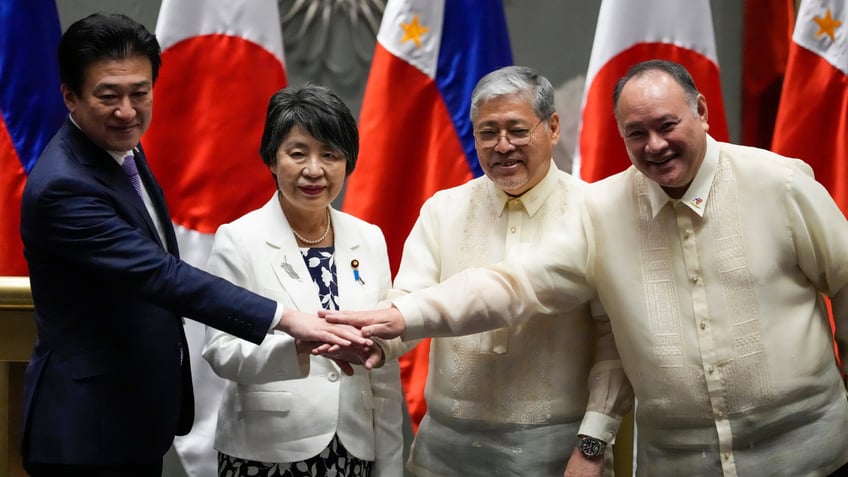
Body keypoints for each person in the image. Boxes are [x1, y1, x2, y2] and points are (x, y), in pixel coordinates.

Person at [323, 60, 848, 476]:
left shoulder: (780, 183)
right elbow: (518, 284)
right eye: (636, 132)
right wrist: (398, 318)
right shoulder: (605, 210)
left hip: (811, 454)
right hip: (678, 462)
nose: (655, 145)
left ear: (702, 111)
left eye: (667, 125)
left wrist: (593, 443)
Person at [19, 14, 366, 477]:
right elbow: (160, 274)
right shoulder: (66, 186)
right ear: (70, 96)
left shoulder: (121, 150)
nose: (127, 110)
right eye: (108, 96)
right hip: (86, 427)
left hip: (133, 413)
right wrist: (287, 319)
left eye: (140, 93)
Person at [371, 66, 630, 477]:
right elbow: (408, 301)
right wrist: (374, 343)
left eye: (517, 130)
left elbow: (612, 342)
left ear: (553, 127)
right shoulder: (444, 209)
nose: (502, 146)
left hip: (555, 449)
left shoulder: (593, 211)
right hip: (443, 448)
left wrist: (593, 442)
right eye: (487, 133)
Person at [201, 84, 404, 477]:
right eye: (298, 153)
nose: (315, 170)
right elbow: (221, 350)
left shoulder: (369, 237)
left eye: (330, 154)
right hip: (267, 451)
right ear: (273, 159)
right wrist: (296, 349)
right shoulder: (239, 238)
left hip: (354, 447)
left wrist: (390, 463)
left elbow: (383, 361)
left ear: (348, 162)